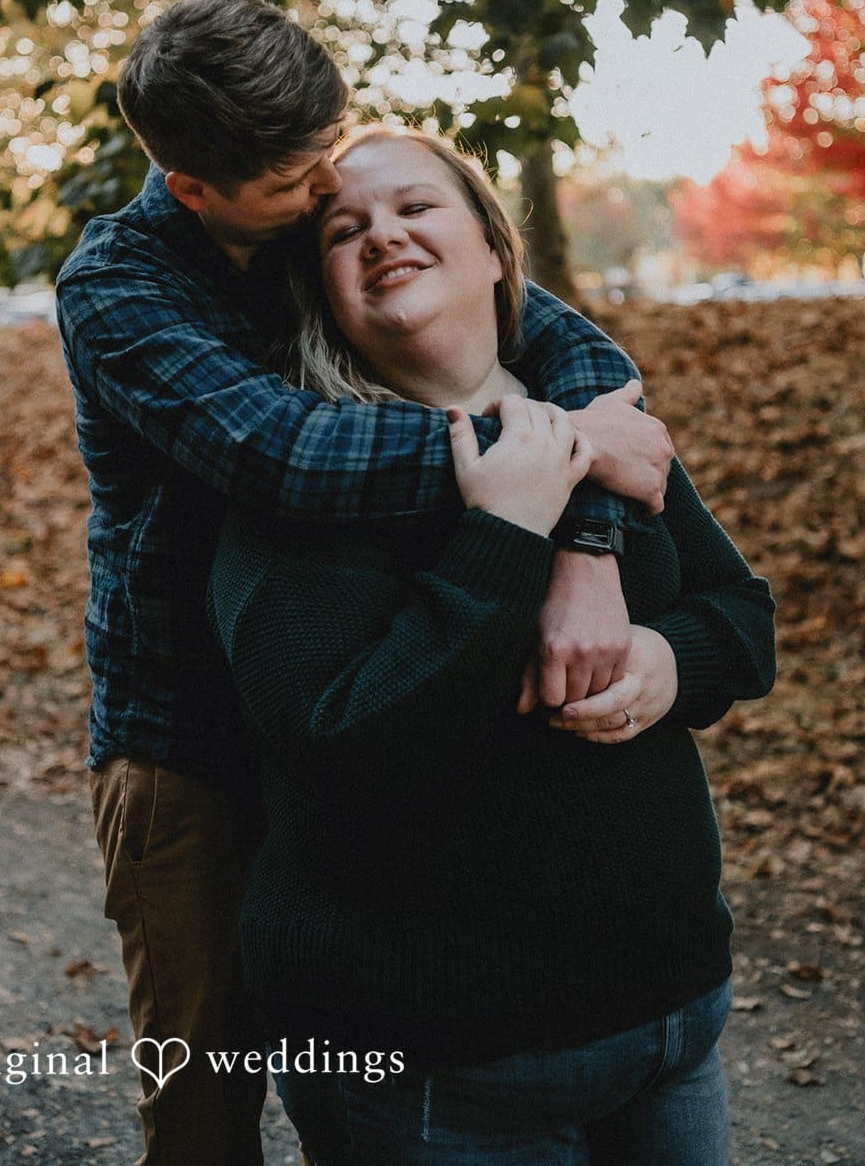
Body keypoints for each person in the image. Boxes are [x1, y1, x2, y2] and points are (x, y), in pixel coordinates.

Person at [54, 0, 674, 1166]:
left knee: (378, 1066)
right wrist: (552, 457)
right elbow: (283, 454)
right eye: (298, 177)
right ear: (194, 186)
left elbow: (572, 352)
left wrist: (585, 546)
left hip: (356, 701)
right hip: (193, 743)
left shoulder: (320, 203)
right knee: (206, 1094)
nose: (329, 185)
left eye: (327, 144)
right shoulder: (118, 285)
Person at [211, 126, 777, 1166]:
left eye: (415, 207)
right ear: (320, 286)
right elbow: (351, 748)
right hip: (433, 1069)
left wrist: (662, 662)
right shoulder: (303, 485)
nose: (383, 233)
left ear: (490, 246)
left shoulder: (601, 429)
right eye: (346, 227)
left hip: (669, 1020)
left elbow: (740, 618)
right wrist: (504, 530)